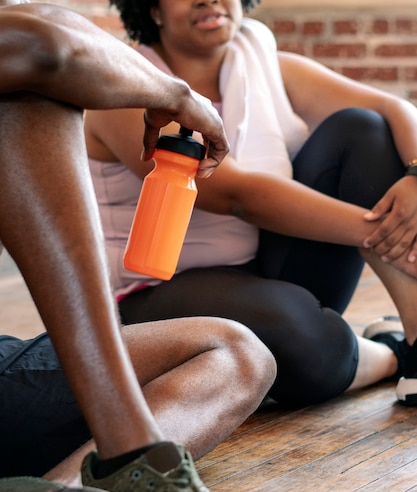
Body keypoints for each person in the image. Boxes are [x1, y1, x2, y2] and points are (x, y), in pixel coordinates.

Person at [0, 1, 292, 492]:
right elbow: (40, 43)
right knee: (29, 84)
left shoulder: (256, 53)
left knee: (241, 350)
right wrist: (178, 96)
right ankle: (131, 457)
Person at [85, 0, 417, 411]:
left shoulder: (263, 64)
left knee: (363, 129)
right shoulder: (126, 87)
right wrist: (391, 232)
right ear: (151, 8)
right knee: (310, 343)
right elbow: (236, 195)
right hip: (156, 290)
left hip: (263, 265)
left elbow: (393, 107)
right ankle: (390, 354)